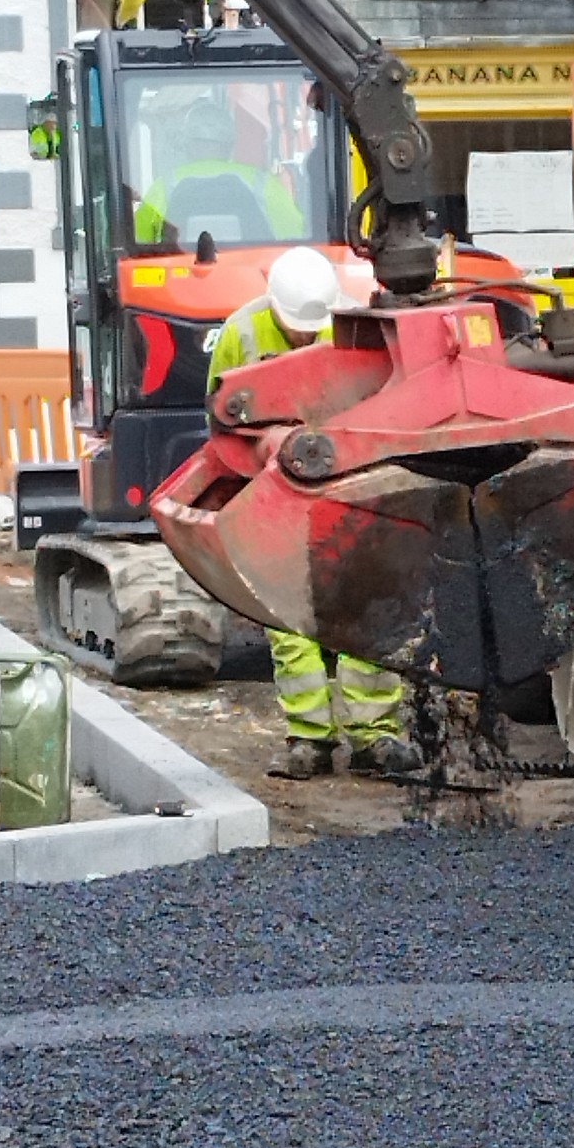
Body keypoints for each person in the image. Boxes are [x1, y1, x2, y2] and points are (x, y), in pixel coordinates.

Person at [206, 245, 419, 783]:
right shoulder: (242, 331)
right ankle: (310, 739)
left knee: (366, 606)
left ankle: (375, 736)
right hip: (275, 493)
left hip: (348, 487)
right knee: (288, 619)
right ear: (273, 305)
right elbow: (220, 418)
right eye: (294, 327)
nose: (304, 336)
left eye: (311, 328)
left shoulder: (349, 328)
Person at [137, 93, 306, 247]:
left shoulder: (164, 185)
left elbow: (139, 239)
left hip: (182, 276)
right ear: (229, 145)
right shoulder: (261, 182)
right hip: (249, 275)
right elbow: (295, 232)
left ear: (188, 144)